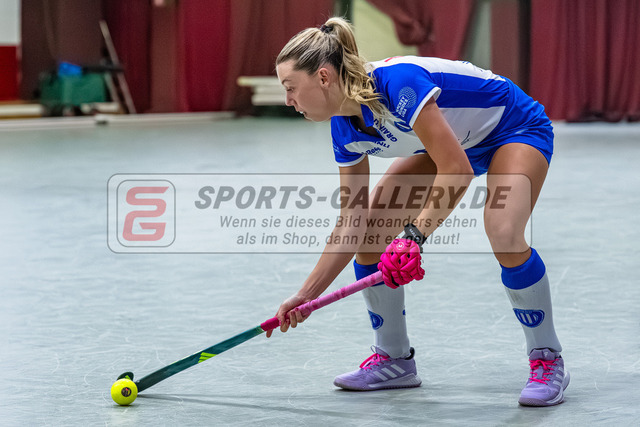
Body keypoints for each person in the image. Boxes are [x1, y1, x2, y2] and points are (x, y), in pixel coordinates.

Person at [266, 16, 569, 407]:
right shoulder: (343, 128)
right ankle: (394, 359)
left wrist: (413, 236)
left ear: (323, 77)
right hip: (455, 141)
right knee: (371, 235)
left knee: (503, 231)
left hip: (513, 127)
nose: (288, 100)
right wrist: (305, 295)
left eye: (290, 87)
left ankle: (547, 357)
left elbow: (456, 169)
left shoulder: (398, 84)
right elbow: (352, 220)